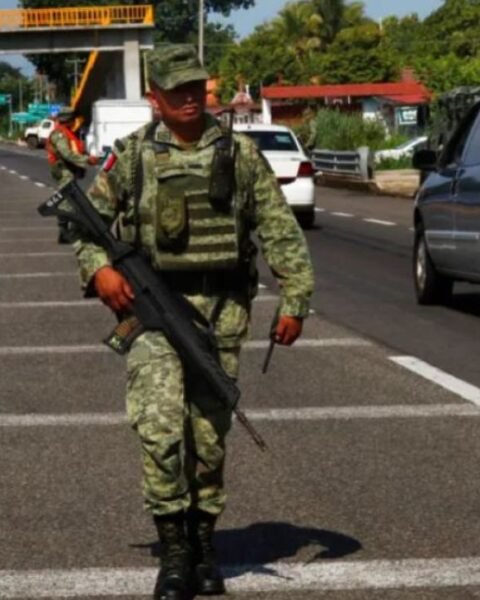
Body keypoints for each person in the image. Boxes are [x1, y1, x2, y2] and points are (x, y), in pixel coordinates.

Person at [73, 44, 314, 600]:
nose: (187, 98)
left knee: (208, 438)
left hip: (221, 312)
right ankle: (174, 553)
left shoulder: (240, 154)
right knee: (159, 430)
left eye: (194, 88)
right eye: (175, 90)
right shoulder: (131, 157)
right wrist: (99, 272)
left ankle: (205, 548)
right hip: (152, 312)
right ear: (154, 97)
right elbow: (87, 226)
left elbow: (278, 229)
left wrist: (295, 299)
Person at [46, 107, 99, 243]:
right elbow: (66, 154)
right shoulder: (59, 134)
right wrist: (87, 160)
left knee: (71, 200)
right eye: (73, 120)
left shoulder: (67, 133)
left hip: (69, 171)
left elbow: (74, 151)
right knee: (66, 201)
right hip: (63, 171)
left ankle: (67, 231)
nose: (75, 122)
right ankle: (63, 232)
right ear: (68, 120)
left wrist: (85, 158)